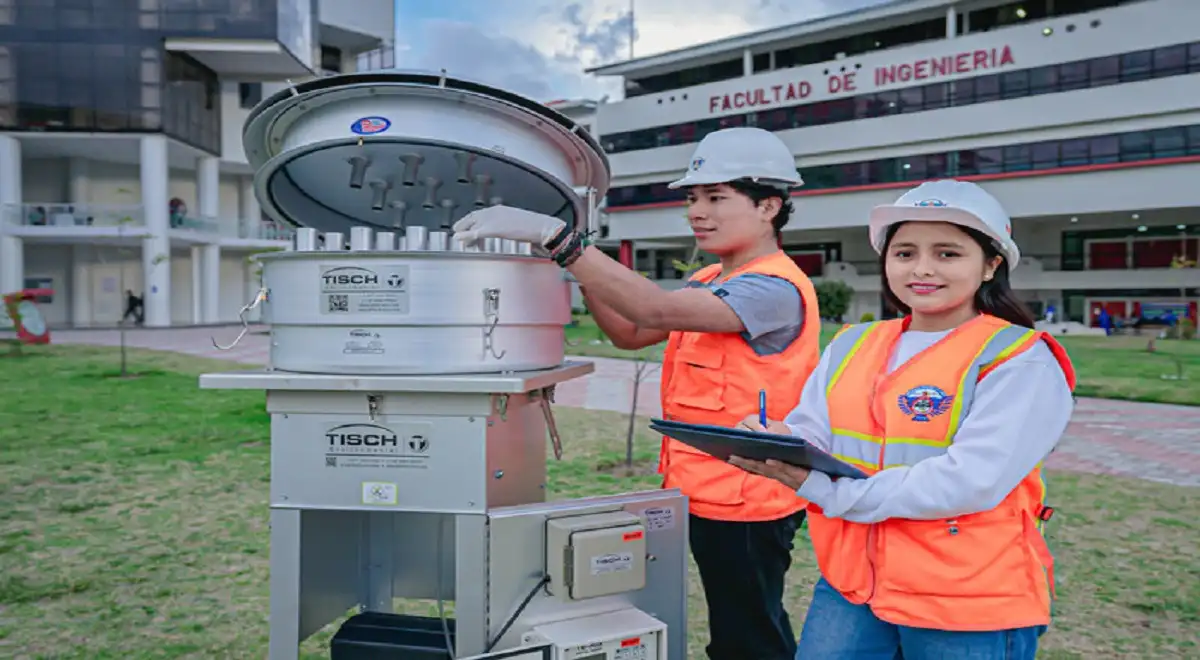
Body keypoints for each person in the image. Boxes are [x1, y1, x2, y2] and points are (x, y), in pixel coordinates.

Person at [453, 127, 823, 660]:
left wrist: (560, 240)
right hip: (699, 489)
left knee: (749, 633)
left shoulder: (773, 287)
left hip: (748, 499)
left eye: (716, 197)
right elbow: (630, 332)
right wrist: (577, 267)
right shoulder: (713, 277)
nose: (698, 211)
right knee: (736, 624)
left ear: (769, 206)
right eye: (693, 199)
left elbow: (653, 309)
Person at [729, 179, 1077, 659]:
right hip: (854, 584)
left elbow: (969, 481)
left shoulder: (1018, 358)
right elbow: (816, 428)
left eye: (948, 254)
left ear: (991, 265)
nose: (923, 269)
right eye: (905, 252)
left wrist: (830, 491)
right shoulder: (854, 342)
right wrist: (782, 440)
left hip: (965, 597)